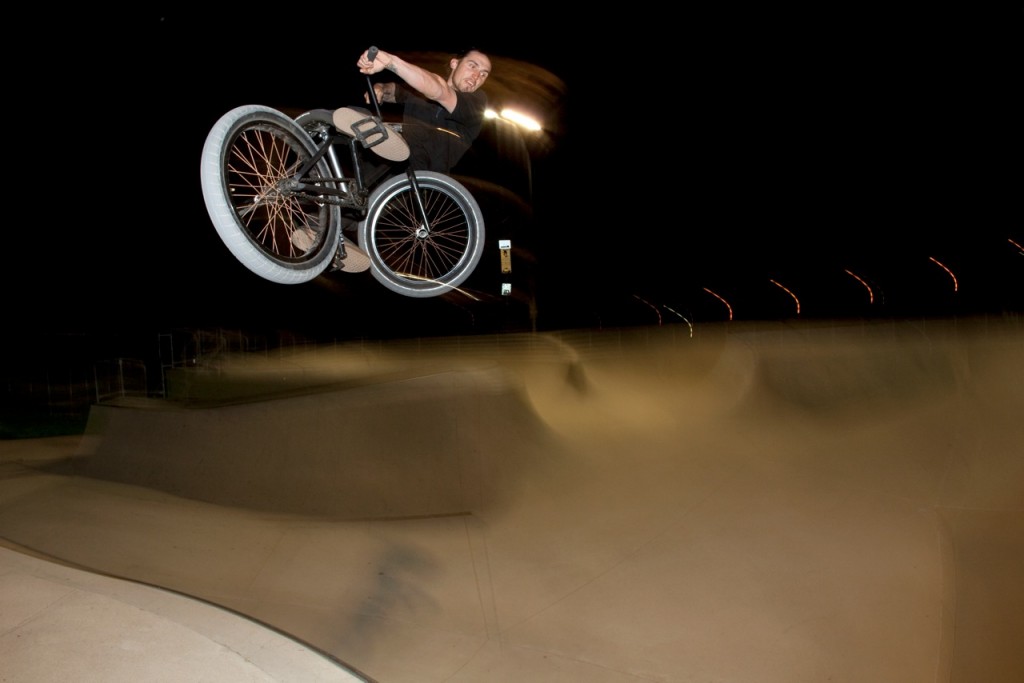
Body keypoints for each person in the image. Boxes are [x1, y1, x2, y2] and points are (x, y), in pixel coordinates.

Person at [350, 46, 492, 174]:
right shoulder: (423, 87)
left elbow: (439, 91)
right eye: (472, 66)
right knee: (361, 120)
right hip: (391, 164)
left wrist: (390, 61)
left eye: (483, 74)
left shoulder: (476, 102)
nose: (476, 77)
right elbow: (396, 91)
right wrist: (380, 88)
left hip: (425, 179)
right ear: (454, 63)